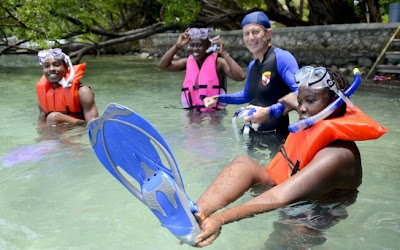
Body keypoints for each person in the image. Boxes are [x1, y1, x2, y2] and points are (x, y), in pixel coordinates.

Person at [194, 67, 387, 247]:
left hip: (313, 212)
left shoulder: (338, 155)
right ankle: (196, 212)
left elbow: (280, 196)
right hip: (287, 187)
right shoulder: (311, 111)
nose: (301, 108)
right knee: (243, 163)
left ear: (335, 104)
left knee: (288, 235)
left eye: (310, 101)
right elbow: (291, 99)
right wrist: (270, 111)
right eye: (301, 101)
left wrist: (221, 219)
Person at [203, 11, 299, 136]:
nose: (251, 38)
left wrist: (270, 112)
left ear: (268, 33)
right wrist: (218, 98)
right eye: (246, 34)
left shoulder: (282, 58)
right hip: (252, 132)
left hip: (277, 137)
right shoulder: (252, 65)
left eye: (255, 32)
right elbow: (247, 95)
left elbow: (301, 92)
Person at [158, 27, 245, 112]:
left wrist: (224, 53)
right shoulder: (187, 62)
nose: (195, 49)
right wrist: (177, 46)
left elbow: (241, 77)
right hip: (192, 116)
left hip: (214, 116)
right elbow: (163, 66)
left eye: (199, 45)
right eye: (192, 45)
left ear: (208, 46)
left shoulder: (219, 63)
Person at [36, 48, 99, 127]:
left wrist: (57, 119)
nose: (51, 69)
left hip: (78, 130)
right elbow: (41, 123)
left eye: (56, 65)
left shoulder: (82, 91)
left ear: (66, 68)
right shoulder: (43, 94)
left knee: (53, 117)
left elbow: (95, 125)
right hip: (55, 134)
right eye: (47, 66)